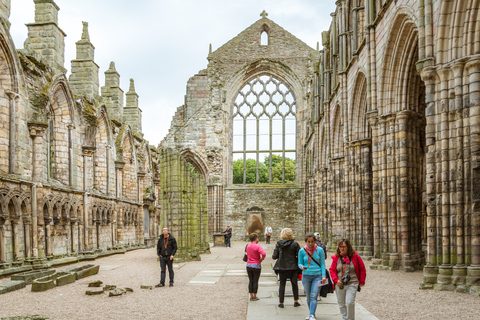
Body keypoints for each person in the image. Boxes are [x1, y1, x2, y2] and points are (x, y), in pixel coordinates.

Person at [329, 239, 366, 320]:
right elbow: (332, 270)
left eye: (344, 247)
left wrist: (362, 281)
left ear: (348, 247)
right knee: (341, 304)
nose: (342, 248)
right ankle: (345, 318)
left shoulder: (355, 257)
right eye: (340, 247)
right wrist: (336, 280)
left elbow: (362, 268)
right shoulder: (336, 258)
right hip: (339, 284)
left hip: (352, 283)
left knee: (349, 302)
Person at [298, 233, 326, 320]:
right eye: (309, 242)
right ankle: (311, 313)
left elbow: (322, 264)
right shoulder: (302, 251)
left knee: (314, 296)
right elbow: (299, 263)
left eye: (312, 242)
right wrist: (301, 267)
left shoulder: (320, 250)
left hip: (317, 275)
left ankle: (311, 315)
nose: (311, 243)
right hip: (306, 276)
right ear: (306, 242)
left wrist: (323, 276)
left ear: (315, 242)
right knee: (308, 296)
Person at [272, 228, 301, 308]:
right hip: (293, 267)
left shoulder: (278, 244)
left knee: (282, 284)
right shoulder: (295, 244)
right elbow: (300, 255)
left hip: (282, 267)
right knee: (294, 284)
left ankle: (281, 303)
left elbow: (274, 256)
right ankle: (296, 301)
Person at [245, 233, 266, 301]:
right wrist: (262, 259)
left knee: (250, 280)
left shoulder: (248, 246)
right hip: (256, 265)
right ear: (256, 239)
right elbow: (263, 253)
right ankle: (255, 295)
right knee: (255, 281)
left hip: (249, 265)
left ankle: (251, 296)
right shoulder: (258, 246)